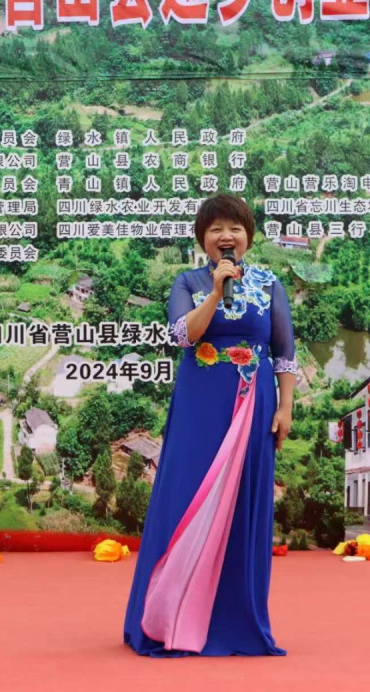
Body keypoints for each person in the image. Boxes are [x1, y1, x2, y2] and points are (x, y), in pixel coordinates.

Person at [123, 194, 296, 657]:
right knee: (185, 497)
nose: (226, 236)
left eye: (235, 228)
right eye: (216, 228)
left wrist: (285, 407)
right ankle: (168, 619)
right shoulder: (189, 281)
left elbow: (284, 352)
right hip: (200, 404)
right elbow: (183, 335)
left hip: (253, 404)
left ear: (248, 237)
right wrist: (217, 292)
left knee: (243, 504)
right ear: (203, 239)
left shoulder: (269, 284)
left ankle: (236, 622)